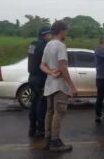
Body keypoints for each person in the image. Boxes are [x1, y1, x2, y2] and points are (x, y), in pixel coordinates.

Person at [40, 20, 78, 152]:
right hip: (59, 85)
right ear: (61, 31)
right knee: (59, 112)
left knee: (49, 112)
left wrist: (50, 72)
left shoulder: (48, 45)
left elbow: (42, 65)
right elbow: (63, 67)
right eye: (65, 30)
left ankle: (47, 139)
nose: (66, 33)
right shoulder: (61, 46)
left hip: (49, 83)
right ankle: (55, 141)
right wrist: (72, 86)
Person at [27, 26, 52, 137]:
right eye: (50, 34)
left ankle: (32, 127)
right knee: (41, 104)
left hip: (32, 77)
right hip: (41, 77)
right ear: (45, 34)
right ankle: (40, 128)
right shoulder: (45, 46)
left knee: (34, 102)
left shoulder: (32, 44)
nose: (51, 36)